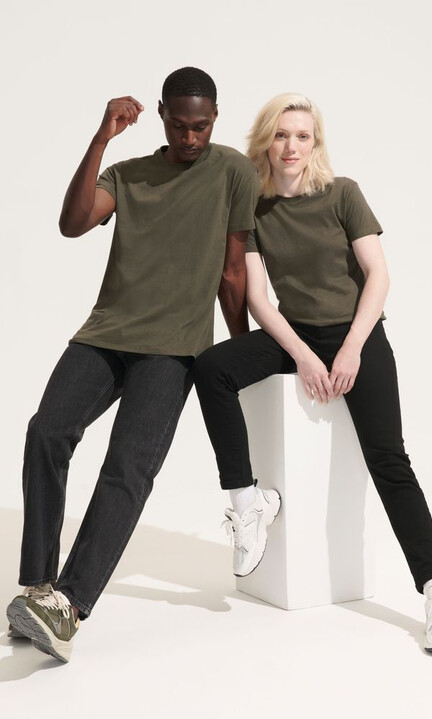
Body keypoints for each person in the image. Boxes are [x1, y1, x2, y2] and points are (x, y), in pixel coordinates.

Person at [193, 93, 432, 655]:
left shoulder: (343, 193)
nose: (291, 146)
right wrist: (303, 355)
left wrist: (352, 349)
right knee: (212, 367)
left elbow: (378, 274)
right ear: (266, 141)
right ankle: (247, 503)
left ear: (315, 143)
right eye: (281, 134)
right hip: (297, 336)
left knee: (389, 460)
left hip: (357, 334)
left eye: (303, 136)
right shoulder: (255, 209)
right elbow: (260, 299)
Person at [6, 67, 260, 662]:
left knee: (127, 469)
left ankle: (69, 605)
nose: (190, 137)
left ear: (215, 119)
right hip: (106, 334)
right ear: (162, 115)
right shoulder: (128, 173)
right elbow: (72, 224)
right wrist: (101, 138)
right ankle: (39, 588)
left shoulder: (234, 172)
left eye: (201, 126)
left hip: (174, 348)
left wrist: (241, 348)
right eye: (179, 125)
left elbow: (233, 270)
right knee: (46, 432)